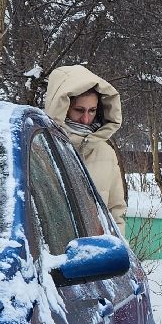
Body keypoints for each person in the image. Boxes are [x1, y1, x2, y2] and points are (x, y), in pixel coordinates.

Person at [43, 65, 127, 235]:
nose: (86, 118)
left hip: (94, 254)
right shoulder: (41, 146)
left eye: (92, 110)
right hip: (53, 256)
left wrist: (118, 252)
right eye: (79, 110)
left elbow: (116, 212)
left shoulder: (106, 153)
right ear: (62, 107)